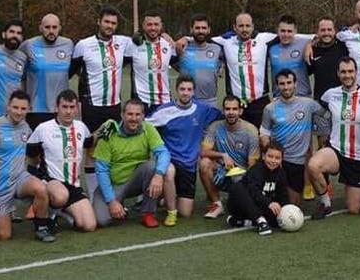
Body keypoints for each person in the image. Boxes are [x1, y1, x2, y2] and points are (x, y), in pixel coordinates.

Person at [0, 90, 55, 242]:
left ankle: (42, 228)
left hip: (19, 178)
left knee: (41, 189)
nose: (19, 112)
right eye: (15, 107)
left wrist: (37, 175)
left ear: (28, 109)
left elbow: (33, 154)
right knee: (3, 235)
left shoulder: (26, 127)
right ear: (8, 107)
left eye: (23, 109)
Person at [70, 6, 132, 198]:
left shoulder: (124, 43)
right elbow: (71, 71)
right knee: (91, 150)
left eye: (113, 23)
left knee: (112, 150)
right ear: (99, 21)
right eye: (106, 22)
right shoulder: (83, 45)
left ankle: (111, 193)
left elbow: (145, 38)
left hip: (114, 106)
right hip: (91, 106)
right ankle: (93, 195)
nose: (110, 26)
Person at [307, 57, 360, 219]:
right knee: (313, 165)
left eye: (350, 71)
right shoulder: (330, 95)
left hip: (359, 157)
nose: (347, 75)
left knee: (354, 209)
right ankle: (325, 203)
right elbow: (321, 115)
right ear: (338, 74)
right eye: (343, 72)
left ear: (356, 73)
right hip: (336, 150)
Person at [148, 76, 223, 223]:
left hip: (188, 166)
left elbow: (224, 115)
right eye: (182, 89)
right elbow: (142, 124)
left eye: (189, 89)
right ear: (176, 90)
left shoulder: (202, 110)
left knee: (186, 213)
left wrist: (243, 107)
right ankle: (171, 212)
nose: (185, 93)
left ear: (193, 92)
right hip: (170, 161)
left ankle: (167, 196)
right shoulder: (164, 111)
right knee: (168, 171)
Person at [92, 99, 171, 228]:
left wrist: (158, 175)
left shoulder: (148, 129)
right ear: (122, 115)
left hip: (135, 180)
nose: (134, 118)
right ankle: (119, 204)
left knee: (151, 167)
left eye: (137, 115)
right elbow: (101, 170)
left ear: (143, 116)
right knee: (102, 221)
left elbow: (163, 153)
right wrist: (111, 201)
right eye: (130, 114)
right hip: (114, 184)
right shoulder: (109, 134)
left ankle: (148, 213)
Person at [26, 89, 98, 231]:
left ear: (77, 109)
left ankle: (60, 213)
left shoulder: (81, 128)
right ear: (56, 108)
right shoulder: (43, 129)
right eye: (64, 107)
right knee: (60, 196)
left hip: (74, 186)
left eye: (72, 107)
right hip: (51, 182)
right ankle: (47, 211)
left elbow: (90, 143)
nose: (68, 111)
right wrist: (37, 183)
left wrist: (102, 130)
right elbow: (31, 156)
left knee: (89, 226)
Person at [260, 70, 327, 206]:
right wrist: (270, 155)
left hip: (297, 163)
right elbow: (264, 134)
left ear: (295, 84)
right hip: (277, 162)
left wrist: (324, 138)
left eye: (289, 83)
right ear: (277, 86)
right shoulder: (270, 108)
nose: (286, 87)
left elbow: (327, 117)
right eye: (282, 84)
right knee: (271, 204)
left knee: (294, 205)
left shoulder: (309, 104)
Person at [209, 12, 278, 128]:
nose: (244, 29)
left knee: (263, 140)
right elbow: (201, 37)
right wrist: (185, 39)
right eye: (241, 26)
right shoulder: (226, 41)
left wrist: (311, 41)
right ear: (234, 27)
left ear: (253, 26)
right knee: (236, 140)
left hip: (259, 102)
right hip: (236, 104)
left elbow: (290, 35)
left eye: (247, 26)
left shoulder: (264, 39)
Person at [199, 96, 260, 219]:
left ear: (240, 111)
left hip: (242, 175)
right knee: (204, 163)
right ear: (223, 110)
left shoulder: (250, 131)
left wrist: (245, 184)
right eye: (227, 109)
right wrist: (222, 155)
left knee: (241, 208)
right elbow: (203, 152)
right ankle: (217, 204)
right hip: (222, 172)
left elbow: (253, 165)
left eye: (234, 109)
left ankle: (242, 198)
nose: (231, 112)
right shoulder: (215, 127)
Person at [20, 14, 74, 130]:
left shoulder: (68, 44)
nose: (51, 31)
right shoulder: (28, 45)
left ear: (59, 28)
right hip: (35, 109)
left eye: (54, 27)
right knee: (35, 147)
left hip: (61, 109)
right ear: (40, 28)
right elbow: (19, 73)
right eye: (47, 27)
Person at [225, 142, 289, 236]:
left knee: (276, 222)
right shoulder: (256, 170)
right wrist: (269, 203)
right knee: (237, 187)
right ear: (263, 156)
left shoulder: (281, 174)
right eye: (270, 156)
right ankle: (261, 222)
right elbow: (254, 192)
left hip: (261, 206)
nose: (273, 160)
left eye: (277, 158)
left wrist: (285, 210)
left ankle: (241, 222)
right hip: (242, 206)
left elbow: (283, 195)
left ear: (282, 159)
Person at [130, 11, 177, 114]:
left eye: (156, 24)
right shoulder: (132, 45)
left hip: (164, 101)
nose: (153, 28)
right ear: (143, 26)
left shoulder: (168, 45)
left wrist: (185, 38)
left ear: (161, 26)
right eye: (149, 24)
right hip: (142, 102)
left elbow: (180, 60)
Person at [176, 13, 224, 104]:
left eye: (204, 28)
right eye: (197, 28)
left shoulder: (217, 48)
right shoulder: (182, 47)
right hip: (188, 102)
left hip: (210, 101)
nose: (200, 31)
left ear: (209, 30)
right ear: (191, 29)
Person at [268, 15, 312, 97]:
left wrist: (310, 45)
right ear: (277, 31)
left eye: (289, 31)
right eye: (283, 31)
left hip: (302, 97)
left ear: (295, 31)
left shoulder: (304, 43)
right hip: (279, 98)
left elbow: (319, 37)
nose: (286, 34)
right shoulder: (271, 47)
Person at [308, 16, 350, 103]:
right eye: (323, 30)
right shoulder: (312, 51)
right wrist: (308, 45)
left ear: (334, 31)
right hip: (320, 102)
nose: (326, 33)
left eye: (329, 30)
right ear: (317, 32)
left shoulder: (344, 47)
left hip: (342, 101)